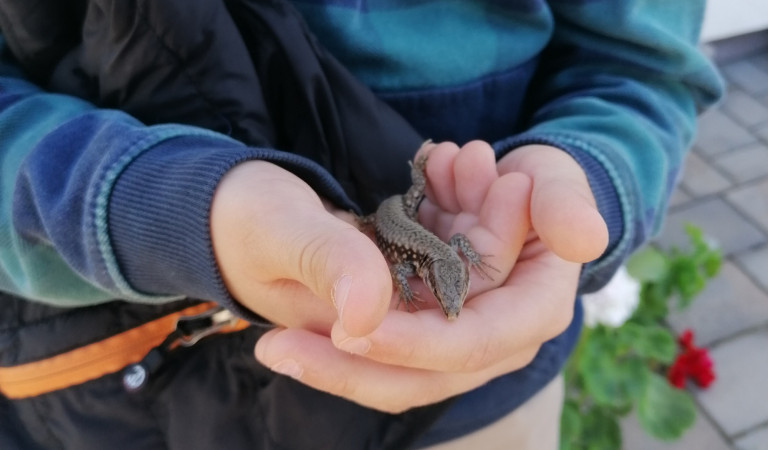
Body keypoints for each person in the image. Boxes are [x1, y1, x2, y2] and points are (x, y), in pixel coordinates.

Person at [0, 0, 722, 449]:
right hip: (102, 395)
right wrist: (169, 208)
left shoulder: (446, 257)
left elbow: (642, 66)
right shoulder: (421, 247)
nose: (443, 281)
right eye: (445, 278)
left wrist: (568, 185)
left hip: (478, 404)